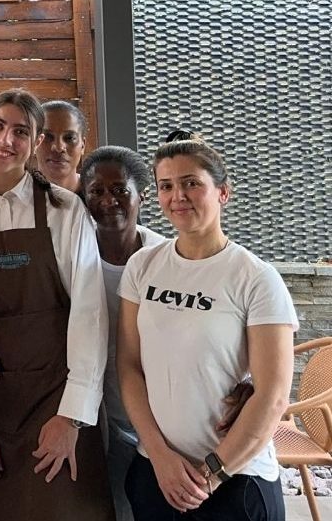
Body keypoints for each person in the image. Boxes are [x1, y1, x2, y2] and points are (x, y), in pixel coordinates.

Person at [0, 88, 113, 521]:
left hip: (60, 394)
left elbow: (90, 319)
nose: (5, 140)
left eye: (21, 132)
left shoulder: (65, 211)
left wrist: (70, 419)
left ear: (34, 145)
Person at [117, 134, 295, 521]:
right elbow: (129, 366)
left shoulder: (256, 278)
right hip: (156, 472)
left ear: (223, 193)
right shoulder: (142, 267)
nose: (177, 195)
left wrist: (211, 473)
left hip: (234, 479)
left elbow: (274, 395)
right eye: (166, 186)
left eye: (191, 183)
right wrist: (159, 455)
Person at [79, 145, 167, 521]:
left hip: (164, 420)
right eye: (96, 191)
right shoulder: (74, 259)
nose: (108, 200)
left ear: (142, 196)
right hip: (103, 418)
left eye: (119, 190)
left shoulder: (167, 259)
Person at [35, 100, 88, 193]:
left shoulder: (99, 198)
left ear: (83, 145)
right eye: (48, 137)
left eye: (69, 138)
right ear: (34, 142)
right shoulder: (15, 197)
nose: (58, 148)